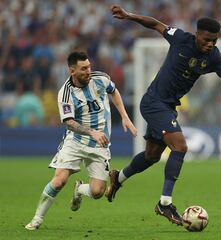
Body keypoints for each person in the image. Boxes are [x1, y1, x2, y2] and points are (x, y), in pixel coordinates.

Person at [106, 5, 221, 226]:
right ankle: (164, 203)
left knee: (152, 156)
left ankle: (117, 179)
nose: (210, 44)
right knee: (180, 147)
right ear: (197, 35)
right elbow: (156, 24)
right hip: (154, 102)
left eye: (214, 40)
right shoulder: (180, 38)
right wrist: (128, 16)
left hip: (169, 107)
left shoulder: (213, 56)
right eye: (206, 39)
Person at [25, 51, 137, 230]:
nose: (88, 71)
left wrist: (124, 116)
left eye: (89, 66)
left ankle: (79, 189)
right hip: (76, 141)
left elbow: (114, 92)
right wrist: (91, 132)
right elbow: (69, 123)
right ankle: (36, 220)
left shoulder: (101, 78)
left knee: (98, 192)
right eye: (83, 68)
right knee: (59, 180)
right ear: (72, 71)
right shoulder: (65, 93)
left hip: (100, 144)